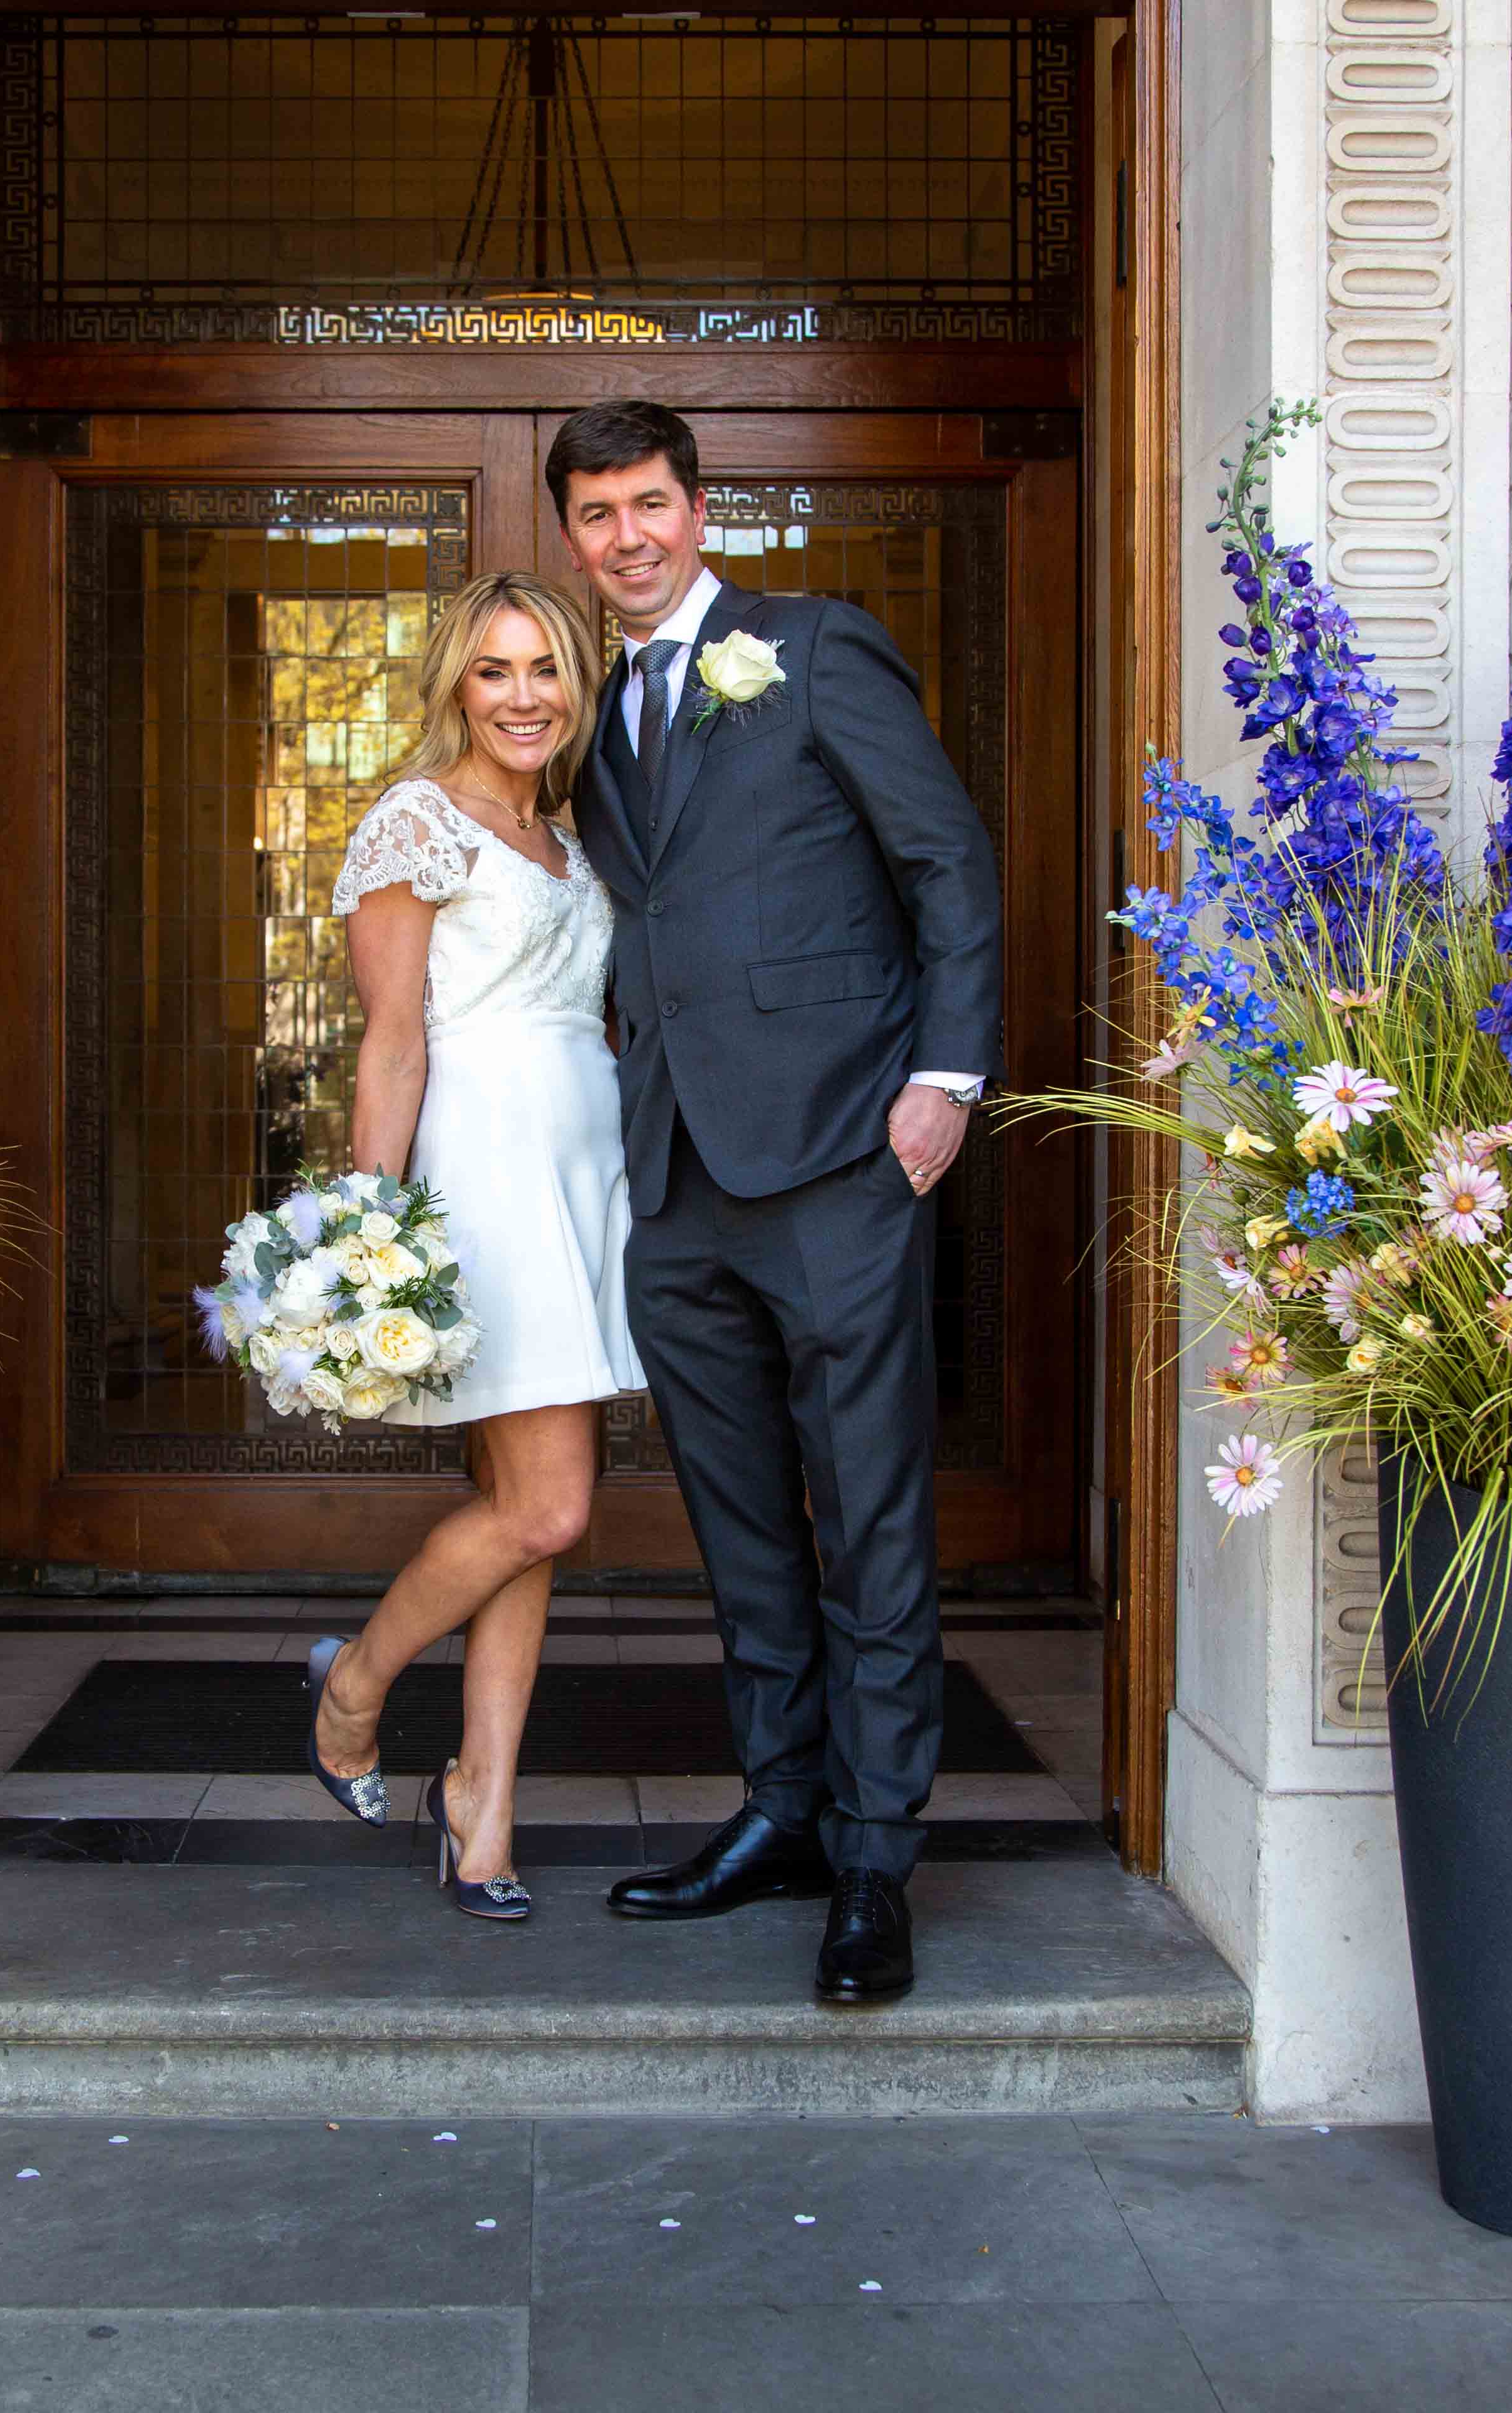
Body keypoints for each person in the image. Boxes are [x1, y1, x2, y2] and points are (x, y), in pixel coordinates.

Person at [552, 400, 1004, 2005]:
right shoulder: (590, 710)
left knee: (868, 1516)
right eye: (598, 513)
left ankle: (876, 1861)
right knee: (740, 1525)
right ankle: (783, 1810)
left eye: (650, 504)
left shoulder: (809, 648)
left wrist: (947, 1076)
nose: (629, 537)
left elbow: (947, 864)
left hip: (835, 1160)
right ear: (572, 534)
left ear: (699, 506)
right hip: (675, 1176)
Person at [302, 571, 645, 1922]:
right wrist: (369, 1229)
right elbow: (393, 1044)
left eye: (546, 669)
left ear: (577, 686)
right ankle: (354, 1684)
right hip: (489, 1172)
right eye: (495, 670)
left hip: (586, 1168)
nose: (522, 697)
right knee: (547, 1506)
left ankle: (480, 1813)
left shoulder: (568, 836)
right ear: (456, 681)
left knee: (527, 1515)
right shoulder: (415, 822)